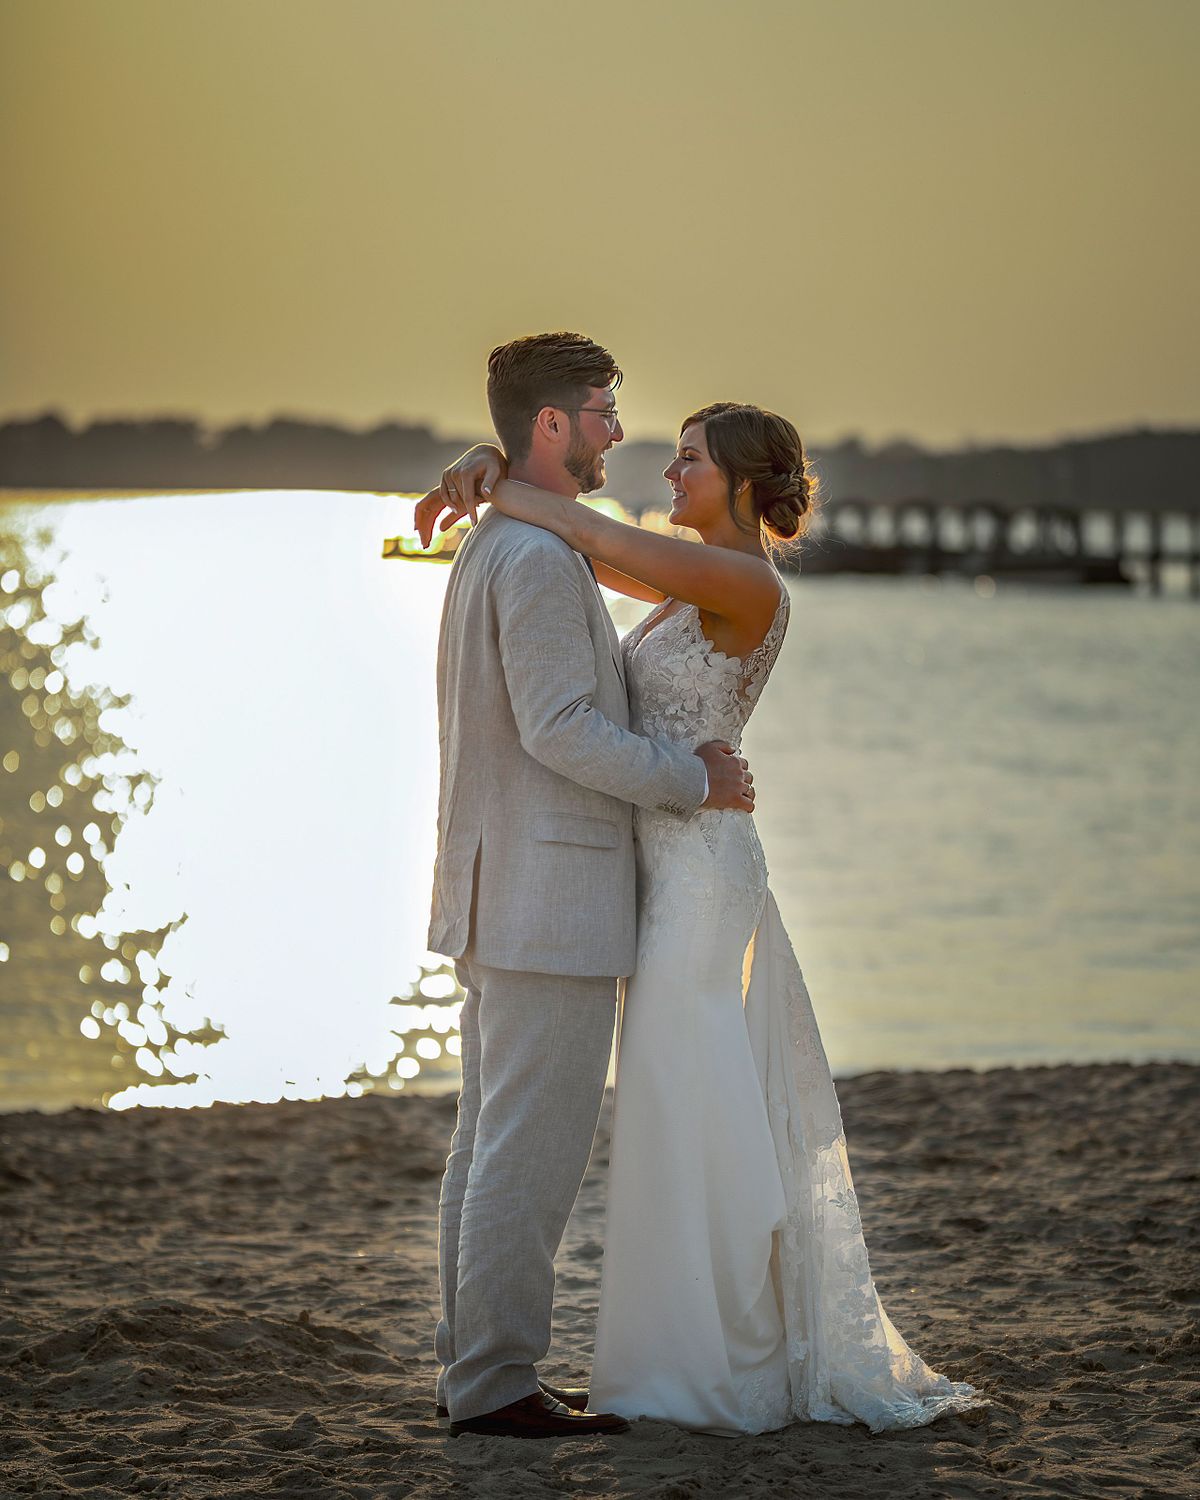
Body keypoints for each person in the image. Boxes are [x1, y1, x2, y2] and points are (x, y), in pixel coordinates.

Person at [418, 365, 991, 1437]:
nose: (665, 465)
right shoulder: (688, 582)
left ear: (736, 486)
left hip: (697, 874)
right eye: (664, 447)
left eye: (689, 458)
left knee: (679, 1105)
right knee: (644, 1115)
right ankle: (621, 1359)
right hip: (652, 870)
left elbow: (585, 538)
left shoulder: (747, 588)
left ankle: (702, 1354)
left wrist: (494, 480)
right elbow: (579, 541)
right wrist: (487, 471)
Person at [424, 332, 756, 1440]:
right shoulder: (527, 555)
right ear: (555, 426)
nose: (622, 430)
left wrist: (492, 470)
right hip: (545, 901)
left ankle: (475, 1372)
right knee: (525, 1152)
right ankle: (495, 1383)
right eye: (605, 409)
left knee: (491, 1144)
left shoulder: (511, 537)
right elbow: (561, 728)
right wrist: (692, 782)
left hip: (505, 889)